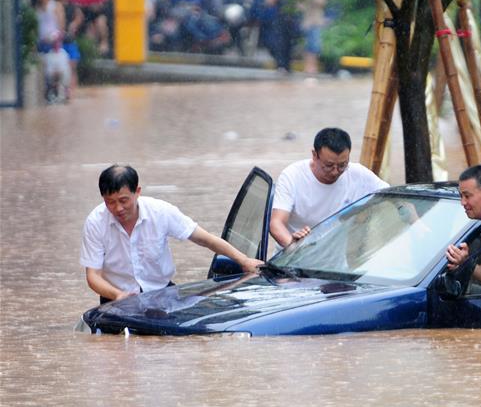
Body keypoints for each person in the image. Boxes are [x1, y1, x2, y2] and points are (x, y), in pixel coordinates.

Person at [81, 165, 264, 303]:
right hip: (116, 298)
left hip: (162, 294)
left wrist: (244, 261)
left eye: (123, 200)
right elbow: (93, 276)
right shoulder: (96, 222)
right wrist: (118, 295)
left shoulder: (161, 212)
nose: (118, 208)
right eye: (110, 202)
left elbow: (205, 239)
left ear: (137, 192)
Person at [270, 127, 388, 249]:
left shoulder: (357, 174)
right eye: (329, 165)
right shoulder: (292, 176)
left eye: (342, 165)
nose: (335, 172)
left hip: (335, 267)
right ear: (314, 155)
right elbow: (276, 223)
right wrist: (293, 246)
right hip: (293, 262)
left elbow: (390, 193)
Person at [55, 0, 82, 93]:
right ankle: (62, 89)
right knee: (61, 67)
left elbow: (79, 17)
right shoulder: (56, 6)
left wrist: (75, 24)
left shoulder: (73, 6)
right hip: (59, 41)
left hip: (70, 40)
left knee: (72, 67)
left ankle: (71, 91)